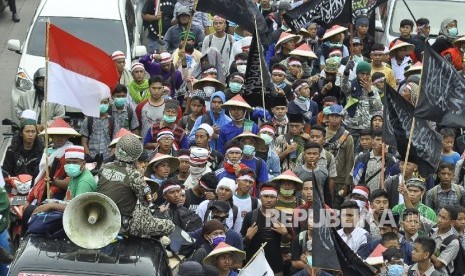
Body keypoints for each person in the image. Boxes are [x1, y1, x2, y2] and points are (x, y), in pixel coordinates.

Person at [98, 134, 175, 238]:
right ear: (136, 156)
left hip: (102, 216)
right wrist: (148, 190)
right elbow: (147, 199)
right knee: (170, 225)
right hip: (123, 224)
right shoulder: (134, 174)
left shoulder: (104, 167)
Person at [241, 183, 293, 276]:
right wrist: (248, 237)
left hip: (276, 265)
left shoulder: (283, 217)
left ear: (277, 199)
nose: (269, 200)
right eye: (266, 196)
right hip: (253, 265)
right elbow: (242, 243)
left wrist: (285, 234)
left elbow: (289, 241)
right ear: (260, 197)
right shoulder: (250, 216)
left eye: (272, 197)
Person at [341, 60, 383, 145]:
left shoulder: (373, 89)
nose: (364, 76)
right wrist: (346, 72)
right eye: (362, 74)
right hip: (351, 126)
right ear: (357, 74)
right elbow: (344, 85)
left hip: (367, 127)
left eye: (367, 74)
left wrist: (370, 91)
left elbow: (377, 107)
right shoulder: (351, 86)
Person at [323, 104, 354, 209]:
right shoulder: (322, 133)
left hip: (339, 179)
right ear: (328, 117)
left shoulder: (347, 136)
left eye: (337, 116)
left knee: (336, 207)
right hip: (323, 176)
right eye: (332, 116)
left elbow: (350, 160)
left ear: (342, 118)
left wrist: (347, 183)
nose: (334, 119)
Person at [430, 206, 460, 274]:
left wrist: (425, 249)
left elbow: (438, 265)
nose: (439, 220)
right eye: (439, 215)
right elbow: (417, 216)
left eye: (443, 218)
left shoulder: (453, 242)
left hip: (440, 273)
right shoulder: (433, 229)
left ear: (452, 222)